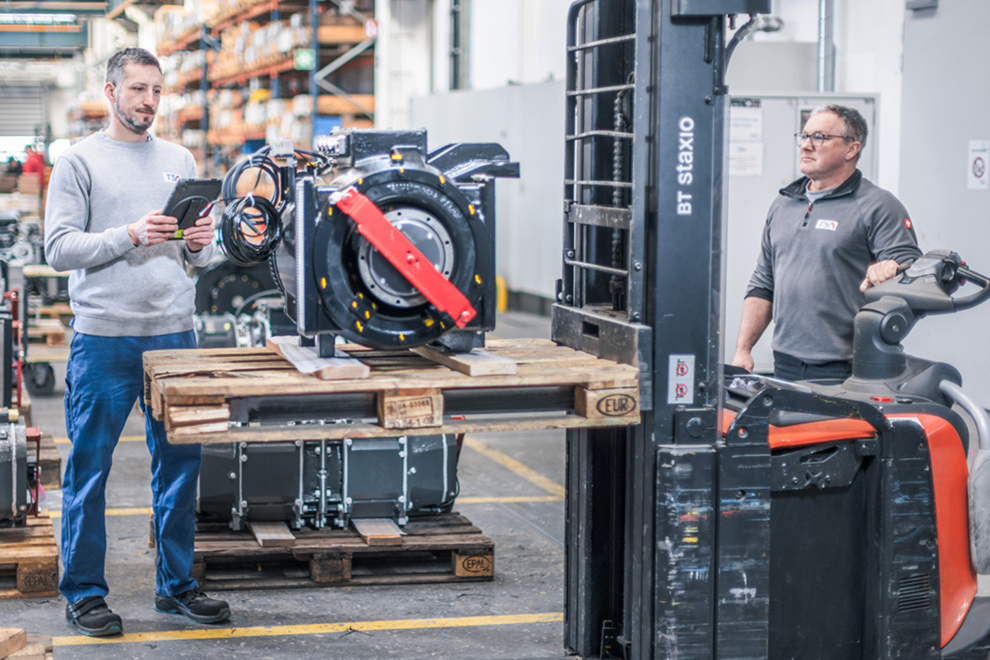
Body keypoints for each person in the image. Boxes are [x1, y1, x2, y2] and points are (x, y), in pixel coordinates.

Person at [44, 48, 229, 637]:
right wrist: (127, 235)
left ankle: (175, 587)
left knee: (180, 465)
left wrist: (201, 240)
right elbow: (59, 248)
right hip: (104, 339)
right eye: (138, 90)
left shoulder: (180, 159)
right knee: (90, 469)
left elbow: (201, 255)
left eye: (156, 91)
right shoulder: (79, 162)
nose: (149, 101)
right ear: (111, 92)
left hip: (176, 336)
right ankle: (84, 593)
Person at [731, 104, 922, 381]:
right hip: (785, 363)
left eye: (819, 137)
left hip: (847, 369)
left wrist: (893, 268)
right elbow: (764, 282)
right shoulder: (784, 203)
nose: (806, 146)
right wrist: (743, 349)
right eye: (804, 136)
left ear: (851, 149)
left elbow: (911, 273)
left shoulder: (878, 205)